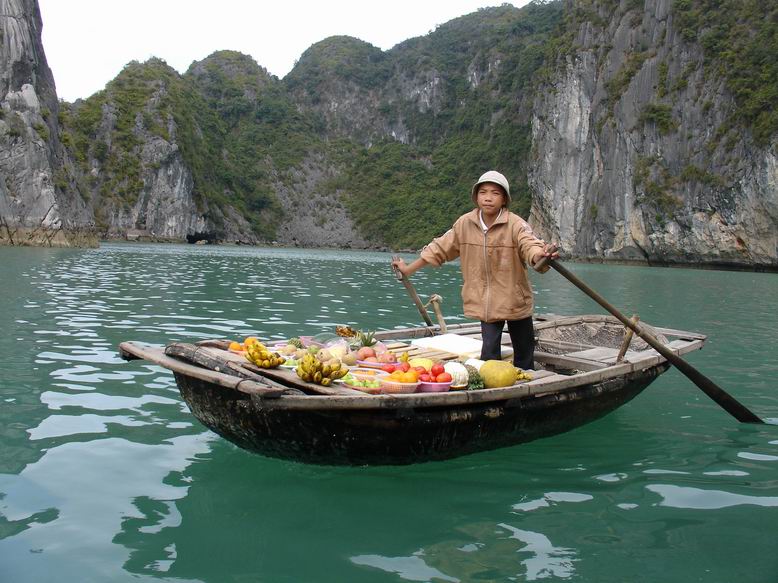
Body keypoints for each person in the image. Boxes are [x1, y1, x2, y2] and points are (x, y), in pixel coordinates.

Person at [391, 170, 558, 370]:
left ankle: (525, 393)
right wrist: (407, 270)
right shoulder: (465, 224)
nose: (488, 198)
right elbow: (438, 249)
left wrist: (541, 255)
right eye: (483, 192)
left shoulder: (515, 224)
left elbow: (530, 245)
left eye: (495, 193)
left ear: (504, 198)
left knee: (524, 353)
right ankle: (494, 396)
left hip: (515, 299)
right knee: (489, 356)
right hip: (484, 302)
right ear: (476, 196)